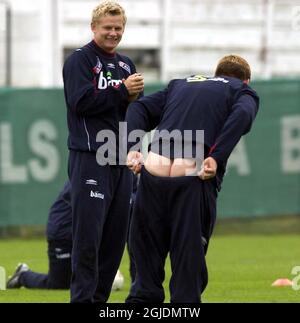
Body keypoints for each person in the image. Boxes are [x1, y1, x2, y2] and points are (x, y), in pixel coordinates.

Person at [125, 55, 259, 303]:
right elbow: (242, 116)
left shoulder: (180, 84)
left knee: (145, 274)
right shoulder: (243, 91)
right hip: (191, 177)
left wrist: (132, 147)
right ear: (246, 80)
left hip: (152, 171)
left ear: (215, 73)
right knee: (188, 272)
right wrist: (217, 156)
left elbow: (138, 107)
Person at [63, 1, 143, 303]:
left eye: (118, 28)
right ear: (94, 27)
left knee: (113, 242)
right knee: (88, 241)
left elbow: (135, 114)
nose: (113, 33)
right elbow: (79, 101)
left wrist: (135, 149)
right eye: (108, 27)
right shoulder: (80, 60)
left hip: (120, 162)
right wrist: (122, 90)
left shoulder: (126, 65)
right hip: (90, 157)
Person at [6, 181, 125, 291]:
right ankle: (23, 275)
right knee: (58, 284)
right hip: (62, 232)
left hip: (81, 230)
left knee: (84, 277)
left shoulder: (109, 175)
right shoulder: (87, 175)